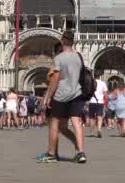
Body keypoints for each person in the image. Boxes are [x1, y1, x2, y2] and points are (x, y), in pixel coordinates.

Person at [37, 31, 86, 164]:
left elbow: (55, 81)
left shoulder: (59, 58)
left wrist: (47, 97)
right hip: (76, 93)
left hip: (61, 95)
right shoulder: (78, 57)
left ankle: (51, 154)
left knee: (54, 123)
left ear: (63, 40)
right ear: (73, 41)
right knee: (76, 123)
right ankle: (81, 153)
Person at [88, 72, 108, 138]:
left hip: (92, 101)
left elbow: (87, 92)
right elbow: (105, 94)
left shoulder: (90, 83)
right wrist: (107, 100)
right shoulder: (103, 83)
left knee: (92, 117)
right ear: (99, 76)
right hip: (100, 102)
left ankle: (91, 132)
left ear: (94, 76)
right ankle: (99, 130)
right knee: (99, 117)